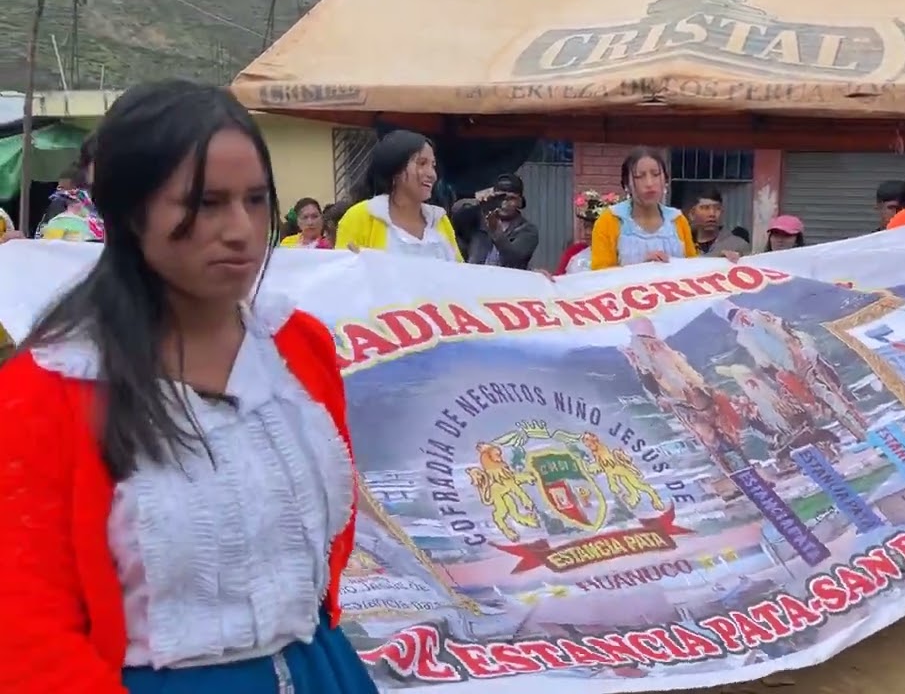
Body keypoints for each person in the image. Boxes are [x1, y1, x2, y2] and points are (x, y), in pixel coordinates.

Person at [0, 80, 374, 693]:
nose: (241, 230)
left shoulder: (296, 349)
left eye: (255, 200)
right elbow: (23, 625)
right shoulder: (48, 391)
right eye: (205, 203)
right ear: (129, 211)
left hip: (322, 671)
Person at [335, 130, 462, 261]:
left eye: (433, 165)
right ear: (395, 169)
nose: (432, 174)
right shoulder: (362, 217)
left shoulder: (439, 220)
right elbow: (345, 274)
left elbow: (459, 274)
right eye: (422, 163)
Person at [590, 146, 697, 269]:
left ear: (665, 180)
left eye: (656, 174)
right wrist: (641, 271)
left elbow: (693, 270)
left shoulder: (677, 220)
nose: (649, 183)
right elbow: (600, 278)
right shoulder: (609, 221)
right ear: (626, 184)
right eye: (639, 176)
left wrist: (719, 262)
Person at [456, 173, 540, 269]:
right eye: (500, 198)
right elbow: (455, 222)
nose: (504, 203)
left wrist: (497, 232)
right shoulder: (478, 219)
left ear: (520, 202)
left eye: (511, 198)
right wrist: (479, 202)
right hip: (475, 279)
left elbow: (515, 259)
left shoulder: (527, 230)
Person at [556, 189, 616, 274]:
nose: (587, 232)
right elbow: (557, 280)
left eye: (593, 227)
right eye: (586, 227)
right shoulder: (574, 252)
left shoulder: (618, 255)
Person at [686, 187, 748, 261]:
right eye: (705, 208)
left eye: (717, 208)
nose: (712, 214)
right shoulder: (680, 245)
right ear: (692, 214)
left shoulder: (738, 245)